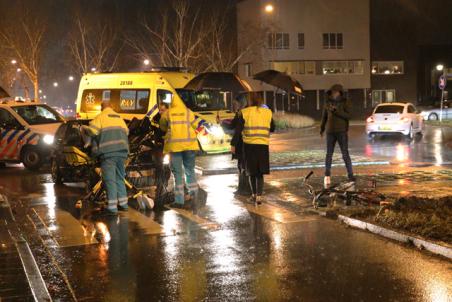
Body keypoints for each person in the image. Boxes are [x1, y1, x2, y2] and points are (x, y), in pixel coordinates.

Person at [159, 94, 205, 210]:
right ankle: (194, 195)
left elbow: (162, 127)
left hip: (175, 147)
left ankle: (179, 201)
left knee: (177, 173)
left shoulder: (168, 113)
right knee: (190, 170)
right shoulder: (188, 112)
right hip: (189, 145)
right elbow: (195, 125)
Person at [86, 100, 129, 215]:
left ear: (101, 108)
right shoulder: (119, 118)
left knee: (110, 180)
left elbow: (92, 131)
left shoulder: (100, 117)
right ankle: (124, 204)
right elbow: (127, 132)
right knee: (120, 178)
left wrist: (84, 129)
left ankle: (112, 207)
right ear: (111, 107)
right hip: (122, 152)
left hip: (108, 153)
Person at [236, 94, 274, 205]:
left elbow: (238, 129)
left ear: (249, 101)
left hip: (249, 145)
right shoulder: (267, 112)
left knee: (251, 172)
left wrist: (233, 144)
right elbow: (273, 127)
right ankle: (259, 196)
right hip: (263, 145)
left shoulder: (245, 112)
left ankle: (253, 195)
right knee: (260, 172)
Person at [320, 84, 355, 188]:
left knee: (345, 153)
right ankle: (327, 175)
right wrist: (322, 128)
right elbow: (324, 116)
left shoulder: (345, 102)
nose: (334, 93)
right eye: (332, 92)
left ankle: (350, 175)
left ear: (340, 92)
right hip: (330, 132)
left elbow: (349, 116)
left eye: (336, 92)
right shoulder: (327, 103)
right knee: (329, 154)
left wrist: (337, 111)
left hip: (341, 131)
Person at [229, 94, 250, 195]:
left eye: (236, 104)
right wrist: (220, 123)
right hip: (242, 143)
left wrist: (233, 144)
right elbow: (231, 126)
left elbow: (237, 130)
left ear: (241, 103)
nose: (234, 106)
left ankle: (245, 189)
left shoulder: (243, 113)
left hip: (243, 143)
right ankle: (243, 188)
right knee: (241, 165)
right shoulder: (239, 113)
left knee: (243, 166)